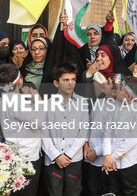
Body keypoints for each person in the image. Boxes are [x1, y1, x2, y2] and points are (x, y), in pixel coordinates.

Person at [0, 64, 43, 196]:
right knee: (27, 191)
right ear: (20, 80)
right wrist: (38, 100)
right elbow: (39, 123)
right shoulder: (17, 101)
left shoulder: (1, 100)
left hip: (14, 153)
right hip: (28, 156)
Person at [42, 62, 88, 196]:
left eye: (73, 79)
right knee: (54, 191)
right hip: (52, 158)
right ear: (56, 83)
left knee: (73, 192)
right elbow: (43, 132)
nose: (70, 83)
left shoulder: (82, 102)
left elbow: (83, 131)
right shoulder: (46, 104)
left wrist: (68, 154)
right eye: (66, 80)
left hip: (73, 158)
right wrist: (56, 155)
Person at [102, 75, 137, 196]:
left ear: (128, 94)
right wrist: (106, 155)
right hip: (110, 161)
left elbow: (133, 140)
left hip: (128, 161)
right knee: (112, 190)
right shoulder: (113, 106)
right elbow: (107, 133)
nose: (116, 91)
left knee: (129, 191)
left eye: (120, 89)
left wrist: (113, 157)